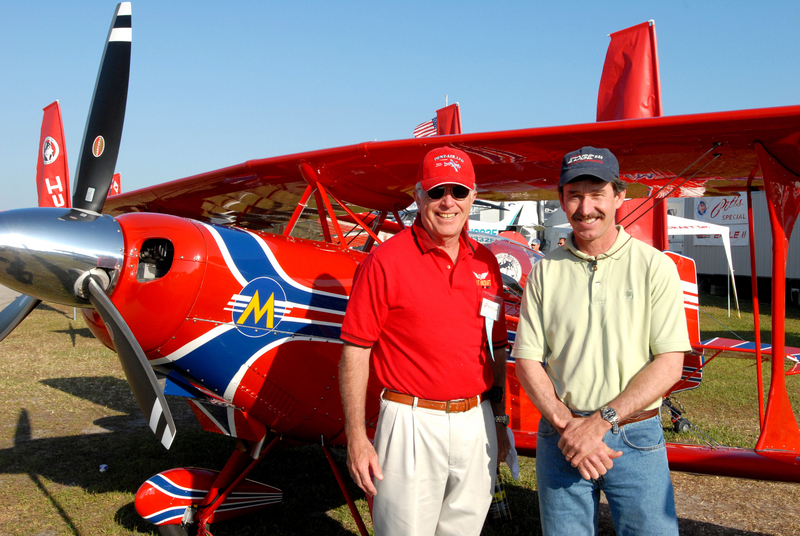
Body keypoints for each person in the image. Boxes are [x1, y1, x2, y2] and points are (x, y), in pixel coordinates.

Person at [511, 146, 691, 536]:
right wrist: (570, 427)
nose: (585, 207)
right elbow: (526, 360)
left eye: (597, 194)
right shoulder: (545, 272)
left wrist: (599, 423)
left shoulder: (655, 266)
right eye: (574, 195)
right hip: (561, 435)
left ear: (619, 196)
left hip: (634, 434)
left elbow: (669, 364)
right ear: (561, 200)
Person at [339, 146, 510, 536]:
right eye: (436, 192)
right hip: (410, 422)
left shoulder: (487, 262)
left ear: (472, 197)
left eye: (458, 191)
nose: (448, 202)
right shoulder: (385, 260)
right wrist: (356, 438)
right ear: (418, 197)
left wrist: (499, 422)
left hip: (477, 420)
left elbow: (496, 348)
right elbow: (356, 351)